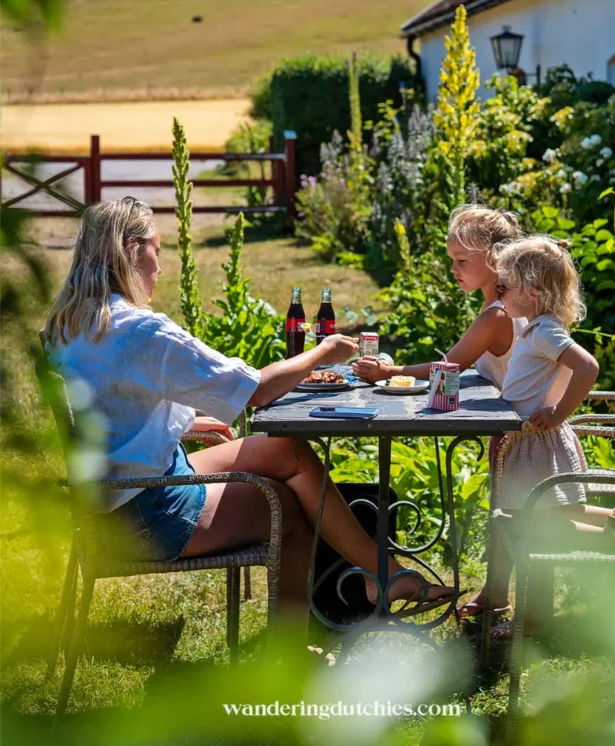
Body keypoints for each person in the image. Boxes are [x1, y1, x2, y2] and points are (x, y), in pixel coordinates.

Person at [43, 198, 453, 621]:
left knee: (287, 451)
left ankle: (381, 572)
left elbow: (116, 406)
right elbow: (256, 390)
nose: (160, 268)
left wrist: (189, 423)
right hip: (146, 513)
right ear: (132, 250)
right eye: (157, 252)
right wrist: (324, 351)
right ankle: (294, 647)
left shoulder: (66, 326)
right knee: (284, 508)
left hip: (110, 500)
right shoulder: (142, 330)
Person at [472, 234, 615, 639]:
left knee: (534, 529)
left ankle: (536, 617)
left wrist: (558, 413)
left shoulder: (543, 332)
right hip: (529, 442)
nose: (499, 295)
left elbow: (587, 367)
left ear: (531, 292)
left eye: (505, 287)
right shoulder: (538, 325)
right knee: (543, 520)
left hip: (535, 444)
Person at [353, 205, 528, 618]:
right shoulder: (504, 305)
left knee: (519, 519)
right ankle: (496, 592)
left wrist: (391, 371)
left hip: (525, 432)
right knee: (504, 514)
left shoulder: (496, 314)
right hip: (513, 427)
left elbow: (447, 369)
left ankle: (529, 614)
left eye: (461, 261)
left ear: (496, 259)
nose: (453, 269)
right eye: (452, 260)